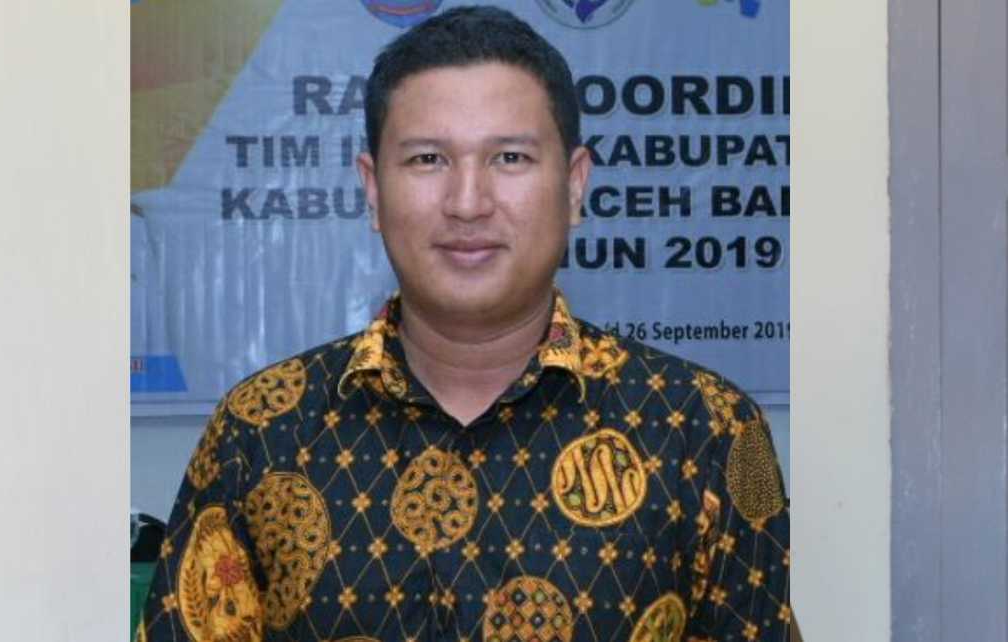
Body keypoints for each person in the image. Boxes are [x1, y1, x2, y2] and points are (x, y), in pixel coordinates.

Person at [139, 6, 792, 642]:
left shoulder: (703, 431)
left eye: (510, 158)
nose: (468, 202)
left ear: (574, 185)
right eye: (428, 159)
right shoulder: (260, 432)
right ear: (373, 188)